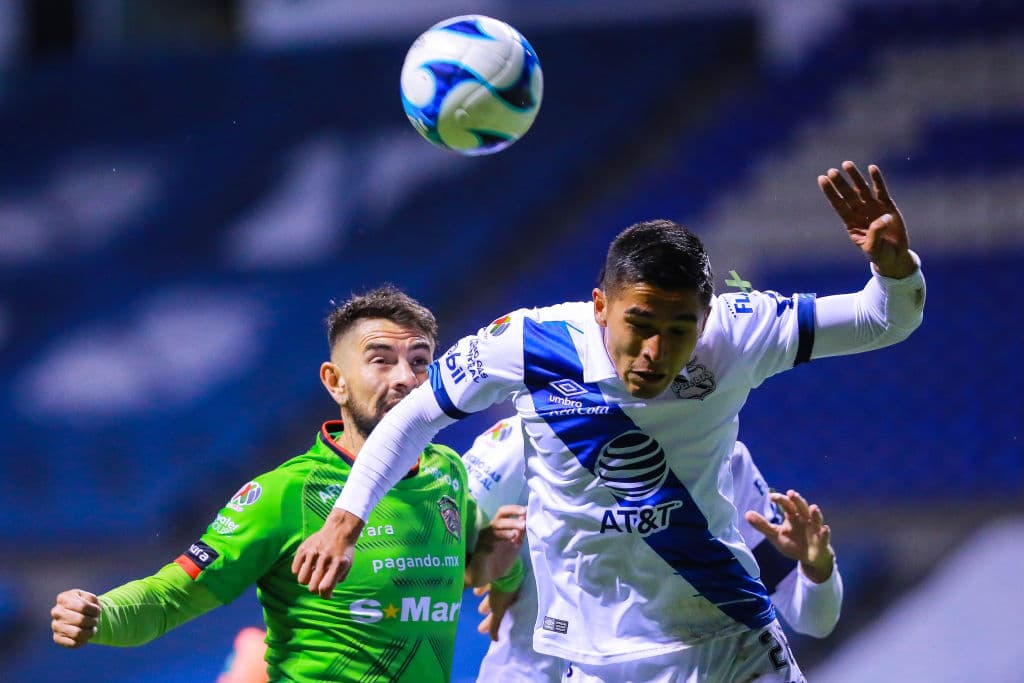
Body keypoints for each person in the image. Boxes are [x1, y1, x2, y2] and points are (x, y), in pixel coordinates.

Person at [292, 162, 926, 682]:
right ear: (600, 307)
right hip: (596, 664)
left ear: (707, 319)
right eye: (639, 326)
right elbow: (416, 416)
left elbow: (883, 319)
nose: (655, 351)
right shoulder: (528, 344)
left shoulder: (742, 330)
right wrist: (349, 519)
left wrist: (893, 267)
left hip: (729, 640)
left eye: (680, 331)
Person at [50, 285, 526, 683]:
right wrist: (102, 615)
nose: (406, 378)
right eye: (381, 360)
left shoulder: (446, 470)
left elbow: (466, 566)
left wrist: (503, 565)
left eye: (420, 362)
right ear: (336, 382)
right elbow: (171, 596)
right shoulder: (286, 493)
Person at [464, 415, 842, 682]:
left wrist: (819, 570)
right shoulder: (533, 435)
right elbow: (436, 548)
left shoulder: (726, 461)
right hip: (533, 672)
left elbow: (814, 619)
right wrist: (490, 569)